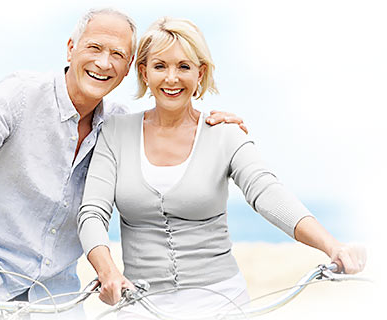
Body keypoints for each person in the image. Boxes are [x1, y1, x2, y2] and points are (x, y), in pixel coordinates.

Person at [0, 8, 246, 319]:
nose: (103, 62)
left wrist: (211, 124)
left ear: (130, 68)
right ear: (70, 49)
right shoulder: (20, 94)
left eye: (117, 55)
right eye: (95, 47)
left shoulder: (119, 126)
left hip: (56, 283)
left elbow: (171, 124)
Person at [76, 17, 367, 318]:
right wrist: (107, 270)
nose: (172, 78)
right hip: (138, 301)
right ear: (144, 72)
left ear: (200, 73)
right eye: (160, 66)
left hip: (220, 303)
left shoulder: (225, 133)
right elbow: (92, 212)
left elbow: (267, 191)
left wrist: (332, 246)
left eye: (184, 67)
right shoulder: (114, 132)